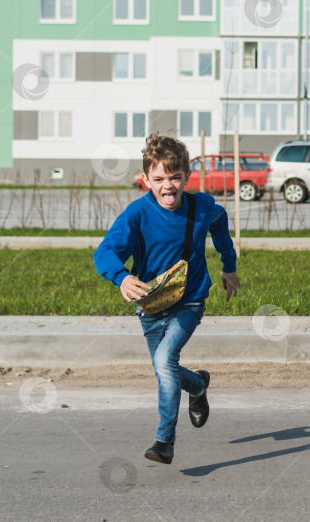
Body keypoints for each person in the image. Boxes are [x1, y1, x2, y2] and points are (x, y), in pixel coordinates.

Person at [94, 134, 240, 465]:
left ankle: (165, 441)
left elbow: (220, 221)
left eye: (175, 177)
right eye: (159, 179)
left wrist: (228, 265)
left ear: (187, 176)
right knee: (166, 368)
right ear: (146, 179)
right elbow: (105, 252)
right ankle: (199, 385)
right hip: (150, 307)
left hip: (189, 301)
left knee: (163, 363)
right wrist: (121, 276)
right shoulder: (136, 214)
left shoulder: (201, 206)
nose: (168, 186)